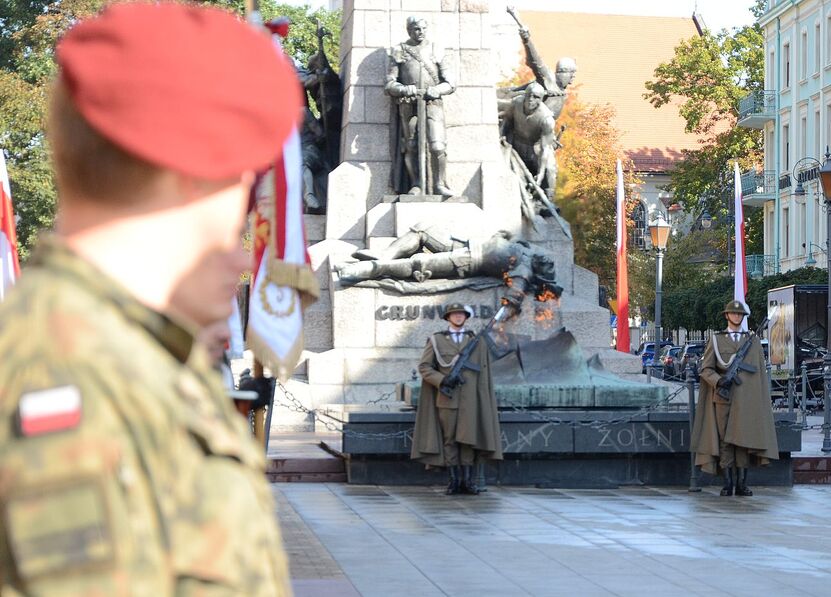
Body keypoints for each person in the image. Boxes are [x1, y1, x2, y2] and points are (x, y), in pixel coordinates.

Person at [0, 4, 299, 594]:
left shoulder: (120, 355)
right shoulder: (69, 376)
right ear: (188, 175)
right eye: (241, 189)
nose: (244, 251)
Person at [337, 223, 562, 311]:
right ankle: (383, 255)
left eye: (548, 266)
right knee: (421, 230)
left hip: (465, 261)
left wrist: (506, 310)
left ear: (539, 272)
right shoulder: (525, 249)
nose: (548, 260)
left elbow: (514, 297)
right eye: (548, 261)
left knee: (418, 264)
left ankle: (368, 269)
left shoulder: (523, 269)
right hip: (462, 243)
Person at [411, 303, 503, 494]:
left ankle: (468, 482)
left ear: (466, 317)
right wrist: (443, 380)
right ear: (448, 318)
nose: (458, 317)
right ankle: (454, 481)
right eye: (454, 314)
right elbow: (425, 367)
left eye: (461, 314)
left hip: (471, 400)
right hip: (448, 399)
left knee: (467, 439)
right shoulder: (436, 340)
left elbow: (485, 368)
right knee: (450, 440)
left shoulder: (476, 340)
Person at [690, 301, 779, 497]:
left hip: (746, 400)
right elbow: (706, 369)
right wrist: (719, 381)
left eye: (740, 315)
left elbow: (758, 373)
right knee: (725, 442)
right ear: (727, 316)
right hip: (724, 397)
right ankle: (727, 483)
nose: (737, 317)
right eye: (733, 314)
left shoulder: (752, 340)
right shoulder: (716, 340)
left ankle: (742, 484)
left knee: (743, 440)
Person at [385, 15, 456, 196]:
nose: (421, 32)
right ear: (409, 30)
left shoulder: (435, 49)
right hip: (410, 105)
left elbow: (450, 83)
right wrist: (403, 89)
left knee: (438, 146)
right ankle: (416, 183)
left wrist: (437, 90)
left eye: (423, 28)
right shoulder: (400, 50)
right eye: (417, 29)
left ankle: (440, 184)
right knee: (411, 146)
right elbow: (390, 84)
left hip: (432, 104)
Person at [500, 82, 558, 201]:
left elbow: (545, 148)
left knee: (550, 168)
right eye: (529, 95)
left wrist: (541, 174)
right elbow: (507, 120)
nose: (531, 99)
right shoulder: (516, 103)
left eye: (536, 97)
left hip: (535, 149)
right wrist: (502, 135)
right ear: (525, 95)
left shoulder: (547, 119)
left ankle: (548, 199)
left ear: (541, 99)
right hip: (516, 143)